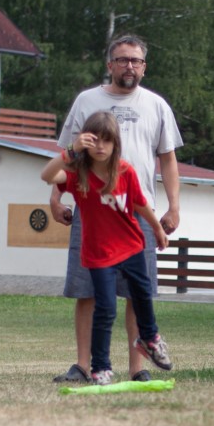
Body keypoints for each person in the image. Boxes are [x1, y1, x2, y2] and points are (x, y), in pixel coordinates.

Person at [49, 35, 183, 384]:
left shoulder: (156, 105)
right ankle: (83, 366)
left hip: (137, 213)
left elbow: (168, 161)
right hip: (91, 211)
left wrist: (173, 206)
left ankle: (137, 369)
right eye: (122, 60)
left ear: (144, 67)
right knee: (87, 291)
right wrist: (55, 198)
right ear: (109, 64)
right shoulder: (87, 100)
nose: (129, 66)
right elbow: (68, 154)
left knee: (138, 293)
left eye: (136, 61)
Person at [39, 111, 173, 386]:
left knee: (142, 295)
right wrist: (71, 150)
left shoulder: (125, 171)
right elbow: (47, 175)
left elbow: (139, 203)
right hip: (99, 254)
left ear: (115, 145)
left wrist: (157, 228)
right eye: (94, 140)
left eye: (107, 141)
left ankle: (150, 339)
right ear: (85, 142)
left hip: (132, 245)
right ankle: (101, 368)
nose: (100, 146)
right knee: (106, 309)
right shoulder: (77, 175)